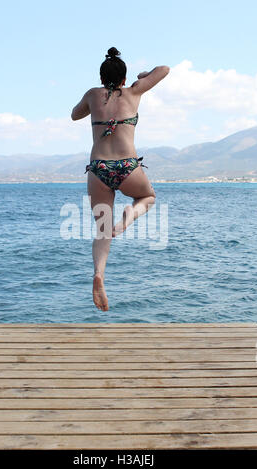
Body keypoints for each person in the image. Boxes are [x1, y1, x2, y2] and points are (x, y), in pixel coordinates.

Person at [71, 47, 170, 311]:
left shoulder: (93, 95)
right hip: (127, 166)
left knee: (103, 229)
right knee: (147, 197)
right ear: (124, 78)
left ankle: (99, 274)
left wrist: (93, 104)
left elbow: (74, 114)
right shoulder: (134, 92)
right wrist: (144, 75)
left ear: (101, 78)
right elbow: (164, 70)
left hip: (99, 168)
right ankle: (131, 215)